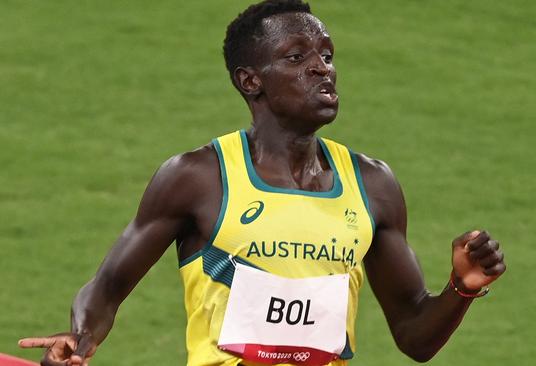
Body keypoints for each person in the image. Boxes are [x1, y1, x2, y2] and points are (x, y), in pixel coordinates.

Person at [18, 1, 506, 365]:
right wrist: (80, 338)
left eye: (328, 55)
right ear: (251, 81)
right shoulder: (198, 177)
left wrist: (461, 288)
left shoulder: (372, 185)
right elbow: (106, 288)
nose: (322, 68)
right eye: (296, 58)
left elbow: (414, 335)